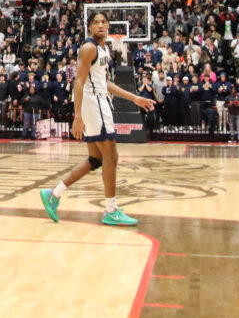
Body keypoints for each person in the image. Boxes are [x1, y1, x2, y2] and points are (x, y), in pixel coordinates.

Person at [40, 12, 155, 226]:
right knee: (111, 154)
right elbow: (78, 82)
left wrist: (134, 98)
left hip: (100, 101)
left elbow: (105, 84)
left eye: (103, 22)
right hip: (93, 104)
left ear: (109, 26)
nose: (100, 25)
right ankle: (111, 210)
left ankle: (53, 194)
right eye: (96, 22)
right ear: (89, 27)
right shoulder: (88, 48)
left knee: (96, 159)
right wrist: (78, 116)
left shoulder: (103, 49)